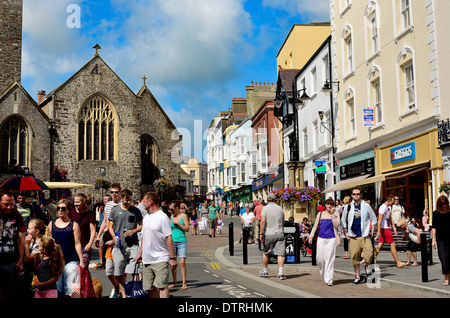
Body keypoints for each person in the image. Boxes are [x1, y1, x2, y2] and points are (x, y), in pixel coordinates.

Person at [136, 192, 177, 298]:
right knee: (150, 288)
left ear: (150, 202)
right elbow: (144, 237)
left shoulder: (162, 217)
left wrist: (172, 258)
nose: (143, 204)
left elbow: (169, 238)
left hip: (160, 258)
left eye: (144, 201)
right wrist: (140, 253)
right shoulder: (146, 217)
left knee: (162, 287)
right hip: (147, 259)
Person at [108, 188, 143, 298]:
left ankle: (129, 293)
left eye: (130, 200)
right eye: (126, 200)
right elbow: (109, 226)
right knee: (118, 272)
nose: (128, 202)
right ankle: (122, 291)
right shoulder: (115, 210)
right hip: (119, 245)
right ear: (121, 198)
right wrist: (114, 237)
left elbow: (142, 225)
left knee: (133, 270)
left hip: (133, 245)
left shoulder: (135, 210)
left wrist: (133, 231)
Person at [48, 199, 85, 297]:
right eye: (58, 208)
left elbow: (77, 243)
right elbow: (47, 242)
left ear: (68, 210)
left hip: (71, 259)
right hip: (56, 260)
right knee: (57, 289)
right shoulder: (51, 224)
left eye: (63, 208)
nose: (60, 210)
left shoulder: (74, 225)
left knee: (72, 289)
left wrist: (81, 260)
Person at [341, 187, 377, 285]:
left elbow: (374, 218)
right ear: (351, 195)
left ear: (360, 194)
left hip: (365, 235)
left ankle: (367, 268)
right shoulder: (347, 207)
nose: (356, 195)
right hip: (353, 236)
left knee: (369, 254)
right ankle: (357, 276)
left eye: (358, 194)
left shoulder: (366, 206)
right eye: (354, 194)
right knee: (354, 257)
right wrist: (346, 232)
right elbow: (343, 221)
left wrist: (372, 231)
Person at [95, 183, 121, 297]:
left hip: (119, 237)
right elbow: (105, 221)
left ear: (120, 193)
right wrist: (98, 235)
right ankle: (117, 287)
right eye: (112, 192)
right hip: (108, 236)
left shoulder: (123, 204)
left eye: (116, 192)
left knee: (119, 268)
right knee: (108, 268)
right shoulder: (108, 205)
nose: (114, 194)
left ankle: (119, 290)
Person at [309, 197, 341, 286]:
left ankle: (329, 279)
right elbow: (315, 226)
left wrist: (333, 215)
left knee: (330, 258)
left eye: (331, 204)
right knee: (320, 259)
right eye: (328, 203)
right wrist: (311, 236)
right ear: (325, 205)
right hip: (321, 238)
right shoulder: (320, 214)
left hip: (331, 238)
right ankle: (324, 275)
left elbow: (337, 224)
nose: (329, 205)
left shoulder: (336, 213)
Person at [0, 191, 26, 298]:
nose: (9, 207)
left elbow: (21, 238)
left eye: (11, 204)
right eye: (6, 204)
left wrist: (21, 259)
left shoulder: (16, 215)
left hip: (11, 260)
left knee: (10, 291)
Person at [258, 192, 286, 280]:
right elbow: (283, 221)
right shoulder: (280, 208)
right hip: (279, 233)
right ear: (275, 199)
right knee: (280, 254)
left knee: (266, 252)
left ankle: (265, 271)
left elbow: (263, 221)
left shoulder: (265, 209)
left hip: (269, 233)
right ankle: (280, 273)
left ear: (267, 200)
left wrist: (261, 233)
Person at [375, 194, 406, 268]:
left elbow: (390, 217)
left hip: (386, 228)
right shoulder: (383, 208)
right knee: (392, 244)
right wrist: (379, 231)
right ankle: (398, 262)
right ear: (388, 201)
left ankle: (371, 257)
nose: (393, 203)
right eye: (392, 201)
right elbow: (379, 220)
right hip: (384, 228)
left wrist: (394, 228)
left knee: (380, 245)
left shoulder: (388, 207)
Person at [70, 193, 96, 266]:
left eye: (77, 202)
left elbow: (93, 230)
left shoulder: (89, 214)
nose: (75, 204)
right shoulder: (72, 213)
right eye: (74, 202)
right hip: (73, 244)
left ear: (83, 202)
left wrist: (90, 243)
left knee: (83, 267)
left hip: (85, 244)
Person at [168, 201, 189, 290]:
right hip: (173, 241)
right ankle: (175, 282)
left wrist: (178, 223)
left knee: (182, 262)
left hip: (181, 241)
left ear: (177, 208)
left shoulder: (184, 216)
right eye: (170, 210)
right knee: (173, 264)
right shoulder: (172, 216)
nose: (171, 211)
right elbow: (169, 228)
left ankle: (184, 282)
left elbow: (187, 229)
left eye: (172, 209)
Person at [23, 218, 47, 298]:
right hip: (29, 273)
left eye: (30, 229)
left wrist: (26, 244)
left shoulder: (39, 244)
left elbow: (29, 259)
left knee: (32, 293)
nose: (27, 231)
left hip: (35, 274)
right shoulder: (33, 241)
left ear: (37, 231)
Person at [432, 195, 450, 286]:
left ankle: (448, 277)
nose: (444, 206)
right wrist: (433, 240)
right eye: (442, 204)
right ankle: (446, 278)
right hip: (440, 239)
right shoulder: (436, 213)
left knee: (448, 257)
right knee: (443, 257)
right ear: (439, 204)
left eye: (445, 204)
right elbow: (434, 227)